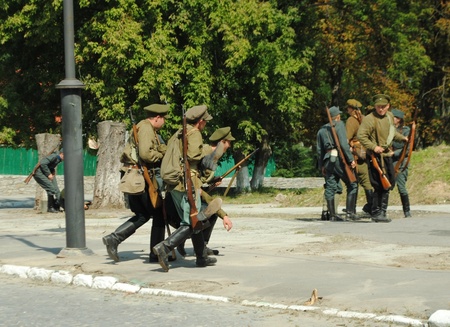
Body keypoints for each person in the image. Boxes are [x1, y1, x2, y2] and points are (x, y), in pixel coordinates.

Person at [153, 104, 222, 271]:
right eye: (205, 121)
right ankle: (164, 247)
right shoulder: (194, 133)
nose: (205, 124)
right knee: (192, 221)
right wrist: (208, 151)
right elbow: (193, 155)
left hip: (174, 183)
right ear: (200, 121)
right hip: (188, 182)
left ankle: (201, 258)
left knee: (194, 218)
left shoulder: (179, 132)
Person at [102, 103, 170, 262]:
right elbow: (146, 155)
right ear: (158, 118)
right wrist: (161, 154)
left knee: (143, 215)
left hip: (134, 176)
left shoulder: (145, 127)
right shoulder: (146, 128)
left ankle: (114, 238)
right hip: (141, 177)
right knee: (158, 215)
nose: (164, 122)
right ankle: (156, 254)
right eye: (164, 119)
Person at [176, 127, 235, 256]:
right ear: (222, 142)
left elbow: (201, 184)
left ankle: (201, 245)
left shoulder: (211, 155)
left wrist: (211, 182)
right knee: (209, 213)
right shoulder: (206, 155)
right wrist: (223, 214)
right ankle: (194, 246)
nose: (229, 146)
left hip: (191, 193)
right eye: (228, 142)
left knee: (209, 212)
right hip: (185, 198)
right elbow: (198, 188)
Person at [357, 94, 408, 222]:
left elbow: (392, 133)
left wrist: (403, 138)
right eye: (379, 107)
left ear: (388, 106)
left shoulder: (390, 116)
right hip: (375, 156)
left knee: (388, 183)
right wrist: (373, 147)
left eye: (383, 107)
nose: (381, 109)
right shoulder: (369, 119)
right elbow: (361, 136)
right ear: (375, 106)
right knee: (378, 184)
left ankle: (382, 212)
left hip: (386, 155)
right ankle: (376, 212)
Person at [316, 106, 357, 221]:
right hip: (339, 158)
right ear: (338, 116)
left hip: (328, 159)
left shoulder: (321, 130)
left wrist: (321, 166)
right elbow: (343, 144)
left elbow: (319, 151)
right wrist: (350, 160)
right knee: (352, 184)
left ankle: (332, 215)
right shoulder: (339, 125)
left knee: (330, 187)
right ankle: (349, 213)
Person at [345, 98, 374, 217]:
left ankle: (351, 211)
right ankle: (372, 207)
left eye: (348, 108)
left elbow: (347, 139)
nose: (347, 110)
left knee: (354, 182)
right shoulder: (364, 119)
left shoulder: (351, 120)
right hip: (365, 152)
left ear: (351, 109)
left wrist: (349, 153)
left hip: (356, 154)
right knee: (366, 182)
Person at [391, 108, 412, 217]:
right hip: (388, 160)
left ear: (399, 119)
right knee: (385, 186)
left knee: (401, 187)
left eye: (394, 117)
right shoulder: (388, 129)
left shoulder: (405, 131)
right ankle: (379, 209)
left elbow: (407, 148)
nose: (392, 119)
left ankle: (407, 210)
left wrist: (394, 153)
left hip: (401, 160)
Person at [33, 148, 64, 213]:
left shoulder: (59, 158)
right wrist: (48, 174)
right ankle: (50, 207)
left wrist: (52, 171)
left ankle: (58, 205)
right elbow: (43, 163)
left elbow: (50, 165)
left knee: (56, 190)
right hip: (39, 173)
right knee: (51, 189)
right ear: (62, 154)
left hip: (48, 173)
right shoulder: (54, 156)